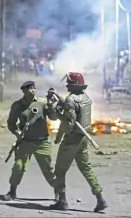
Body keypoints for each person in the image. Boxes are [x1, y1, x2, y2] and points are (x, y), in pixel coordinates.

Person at [48, 72, 108, 213]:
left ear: (73, 85)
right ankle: (100, 198)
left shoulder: (71, 100)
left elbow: (69, 124)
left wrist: (58, 113)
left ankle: (62, 201)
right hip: (83, 139)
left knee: (60, 171)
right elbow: (72, 106)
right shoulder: (86, 98)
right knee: (86, 168)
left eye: (69, 83)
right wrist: (58, 97)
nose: (67, 85)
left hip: (72, 139)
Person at [4, 81, 59, 201]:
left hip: (42, 141)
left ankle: (58, 193)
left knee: (49, 170)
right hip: (25, 141)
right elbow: (11, 123)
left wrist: (51, 105)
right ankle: (12, 191)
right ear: (23, 91)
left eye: (34, 88)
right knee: (18, 167)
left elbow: (53, 118)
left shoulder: (43, 101)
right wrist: (17, 132)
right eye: (30, 88)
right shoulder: (18, 105)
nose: (33, 90)